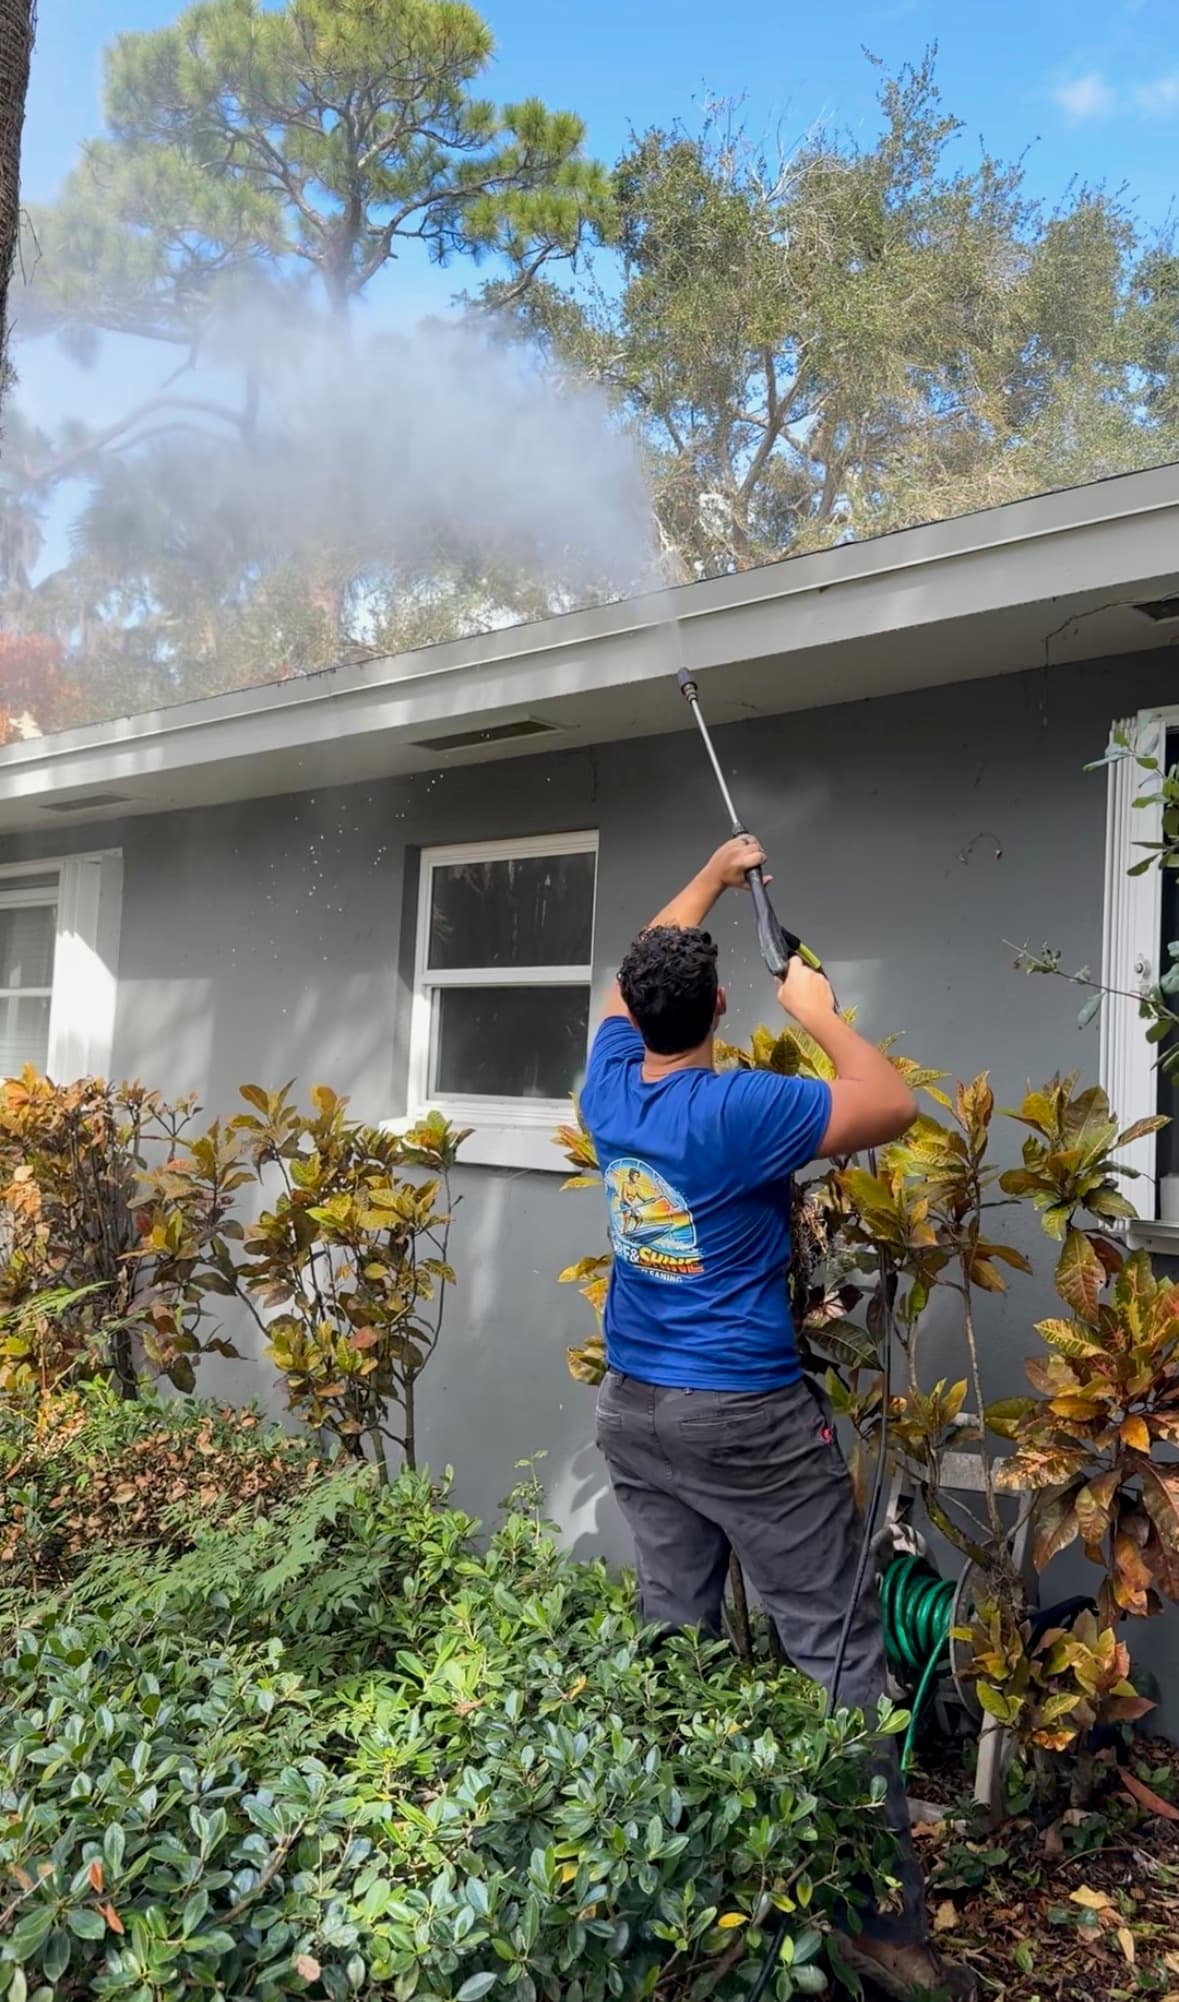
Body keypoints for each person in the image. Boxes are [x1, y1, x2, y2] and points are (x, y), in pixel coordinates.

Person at [578, 834, 977, 2002]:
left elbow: (627, 978)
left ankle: (666, 1873)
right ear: (715, 1004)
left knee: (673, 1636)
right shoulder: (737, 1107)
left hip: (634, 1410)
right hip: (742, 1420)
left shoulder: (610, 1083)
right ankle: (884, 1932)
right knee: (842, 1653)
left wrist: (708, 874)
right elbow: (889, 1102)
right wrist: (814, 1009)